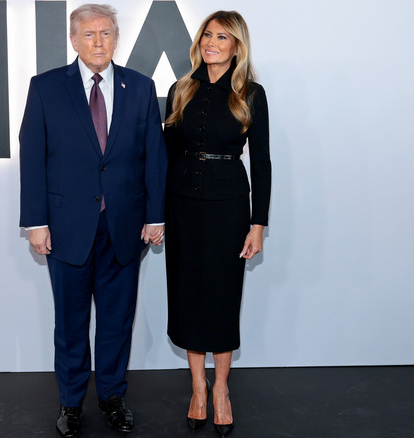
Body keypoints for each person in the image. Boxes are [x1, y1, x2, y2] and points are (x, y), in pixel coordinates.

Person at [19, 4, 167, 438]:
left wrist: (156, 215)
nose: (98, 41)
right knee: (70, 323)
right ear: (73, 40)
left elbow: (153, 156)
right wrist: (35, 221)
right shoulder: (45, 88)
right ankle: (70, 403)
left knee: (118, 320)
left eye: (105, 33)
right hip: (65, 228)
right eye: (89, 35)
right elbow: (33, 156)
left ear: (116, 39)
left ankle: (113, 397)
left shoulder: (140, 87)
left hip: (126, 225)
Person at [163, 10, 271, 438]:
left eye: (222, 37)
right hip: (183, 203)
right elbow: (166, 154)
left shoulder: (252, 93)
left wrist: (257, 224)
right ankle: (197, 390)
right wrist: (156, 212)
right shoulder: (181, 88)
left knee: (222, 296)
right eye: (207, 34)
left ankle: (222, 389)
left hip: (229, 206)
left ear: (236, 47)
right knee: (188, 294)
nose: (211, 42)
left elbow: (260, 161)